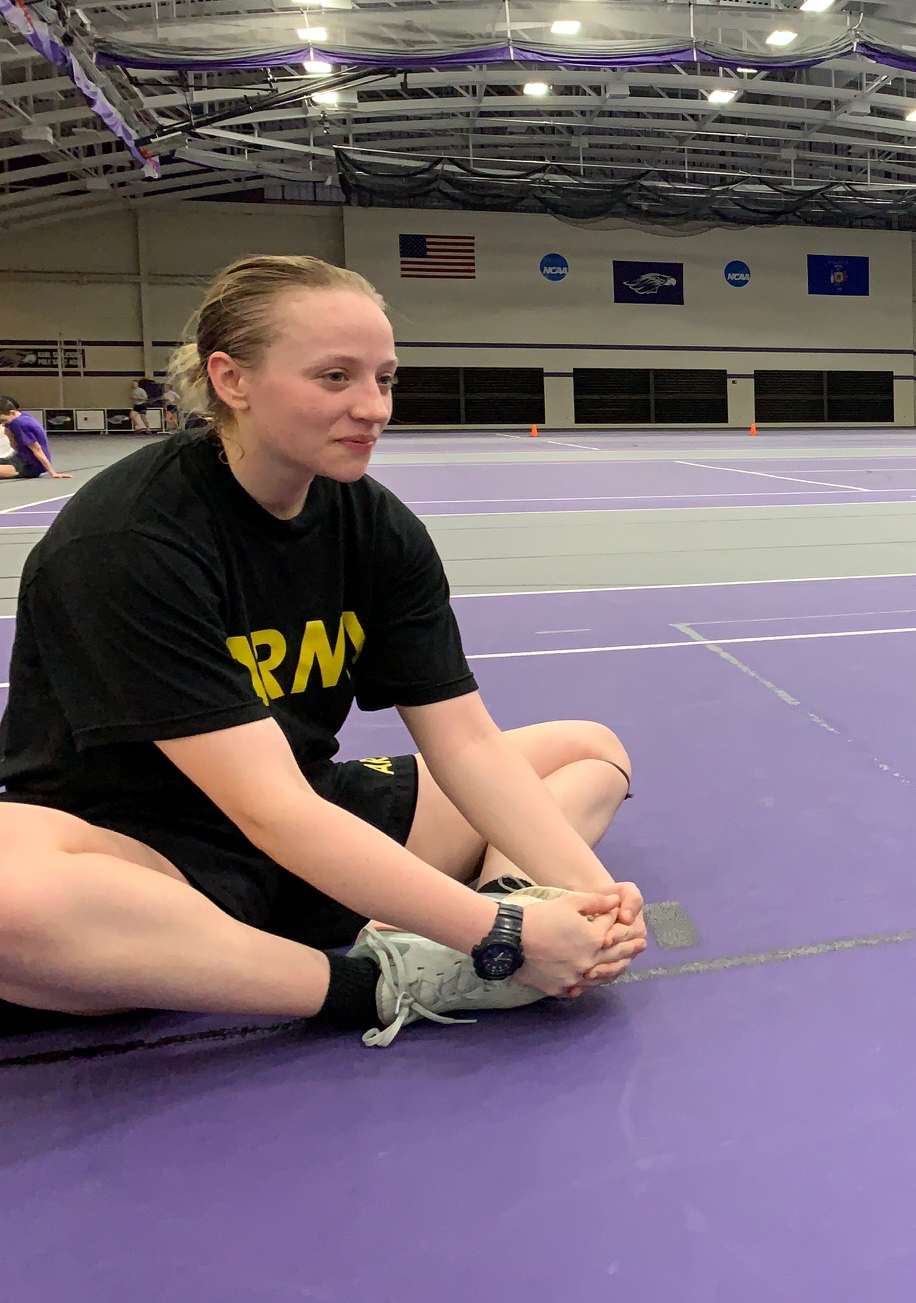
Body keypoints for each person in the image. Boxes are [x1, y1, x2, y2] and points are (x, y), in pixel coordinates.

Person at [0, 255, 647, 1047]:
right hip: (148, 856)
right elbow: (263, 808)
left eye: (385, 378)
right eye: (335, 378)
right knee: (12, 896)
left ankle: (494, 926)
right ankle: (375, 983)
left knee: (587, 752)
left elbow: (466, 741)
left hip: (310, 821)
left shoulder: (374, 526)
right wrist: (494, 935)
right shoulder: (128, 539)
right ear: (231, 380)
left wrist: (583, 898)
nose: (372, 407)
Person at [0, 398, 69, 480]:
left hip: (29, 466)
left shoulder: (19, 424)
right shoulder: (23, 416)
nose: (3, 424)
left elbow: (37, 448)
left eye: (3, 420)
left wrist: (52, 472)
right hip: (19, 459)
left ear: (12, 412)